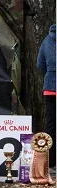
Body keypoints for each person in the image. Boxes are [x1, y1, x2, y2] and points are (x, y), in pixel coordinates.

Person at [37, 24, 56, 174]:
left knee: (50, 126)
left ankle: (50, 163)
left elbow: (40, 65)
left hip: (50, 89)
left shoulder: (46, 40)